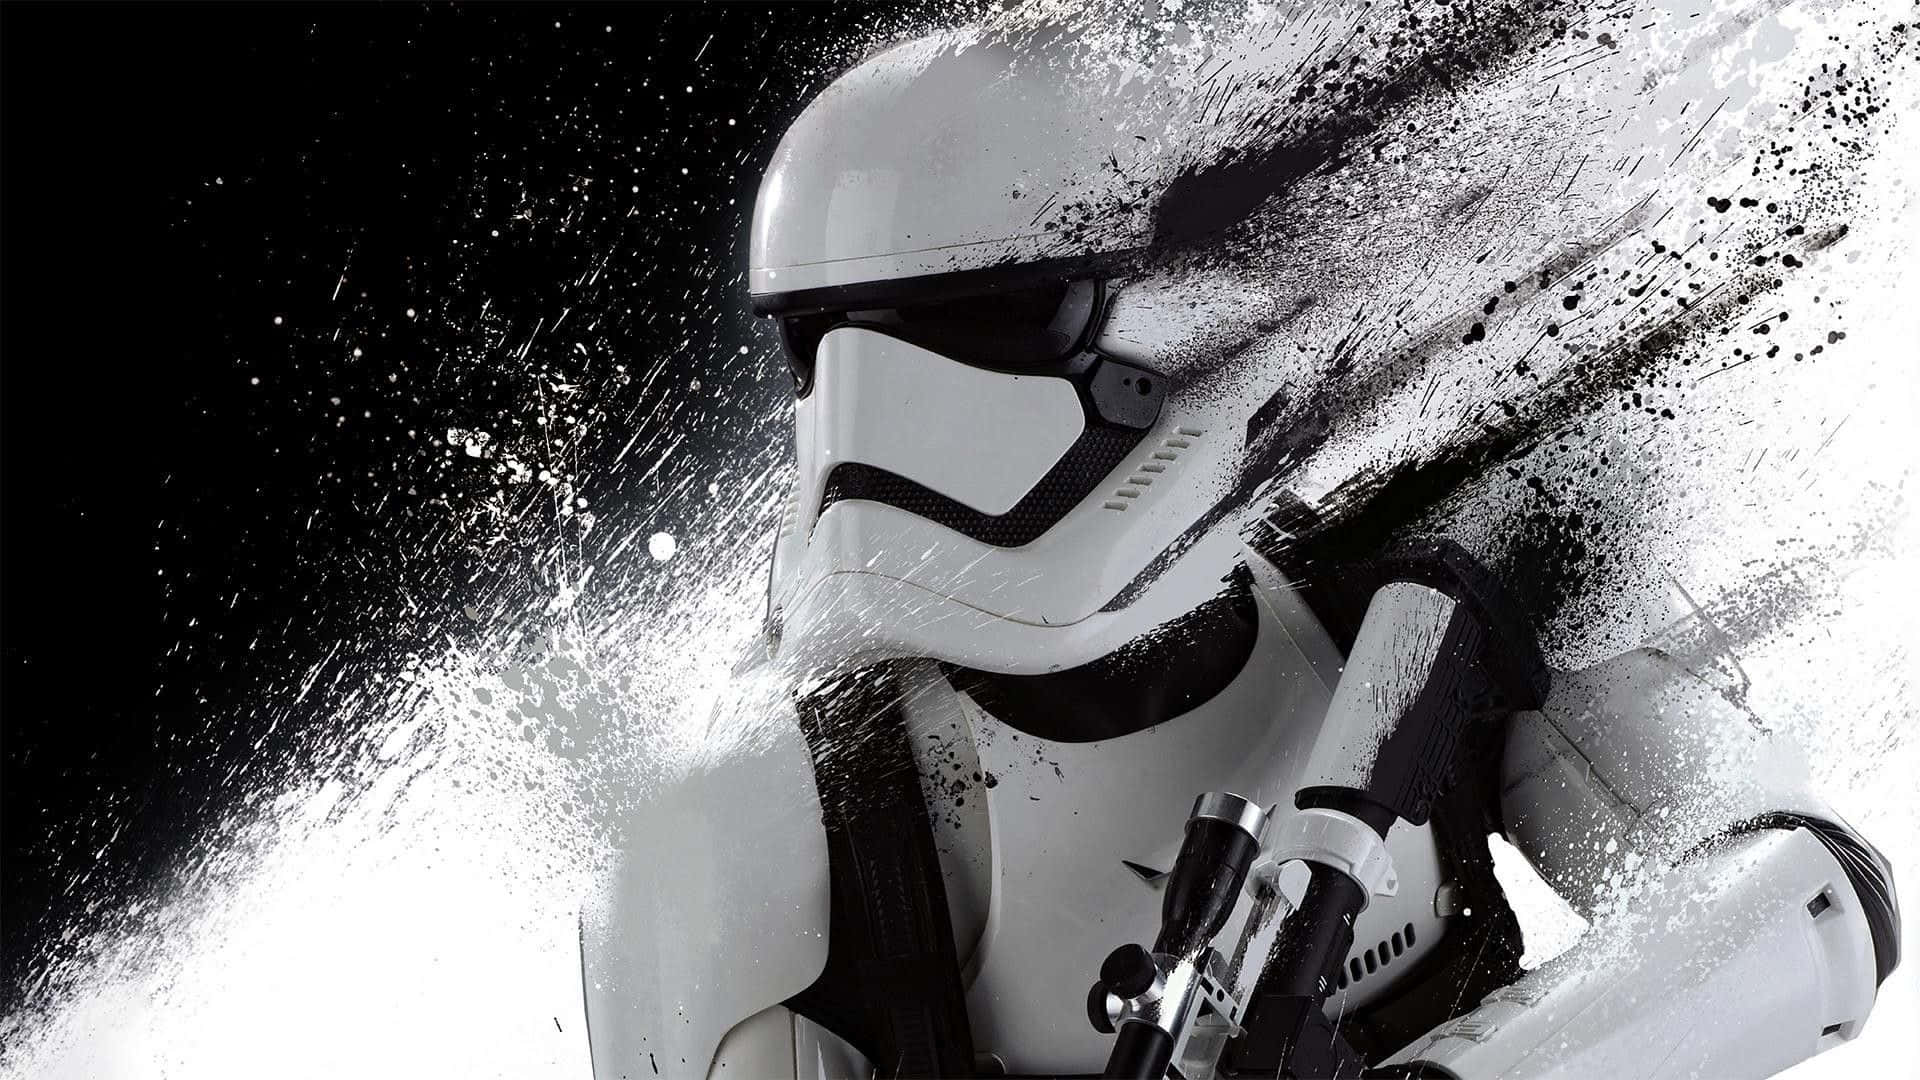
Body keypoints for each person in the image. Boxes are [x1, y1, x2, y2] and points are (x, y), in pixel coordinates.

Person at [581, 22, 1897, 1079]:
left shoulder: (1403, 572)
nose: (883, 419)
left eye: (990, 323)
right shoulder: (756, 828)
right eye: (832, 344)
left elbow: (1805, 891)